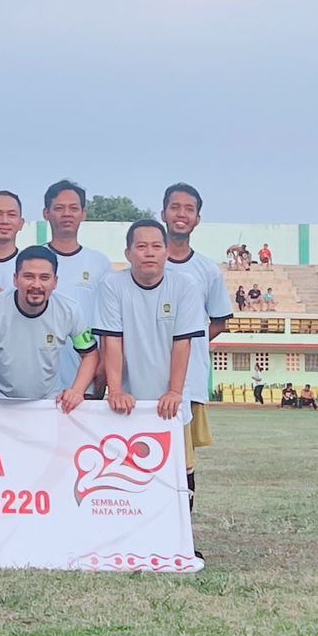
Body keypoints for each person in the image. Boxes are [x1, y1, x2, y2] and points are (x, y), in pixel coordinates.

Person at [161, 183, 234, 513]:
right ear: (163, 213)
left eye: (188, 209)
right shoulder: (147, 260)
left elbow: (218, 321)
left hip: (188, 382)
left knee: (184, 458)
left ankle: (181, 534)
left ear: (198, 218)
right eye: (175, 207)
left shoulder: (206, 270)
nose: (181, 214)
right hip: (147, 379)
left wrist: (185, 345)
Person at [91, 220, 205, 426]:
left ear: (167, 251)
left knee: (178, 458)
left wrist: (174, 392)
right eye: (141, 246)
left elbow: (183, 343)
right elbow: (112, 342)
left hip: (172, 402)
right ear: (128, 253)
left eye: (156, 246)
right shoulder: (112, 285)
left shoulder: (185, 285)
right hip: (127, 403)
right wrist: (115, 390)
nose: (149, 253)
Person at [0, 245, 97, 408]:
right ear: (15, 279)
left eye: (44, 278)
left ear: (55, 282)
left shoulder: (71, 311)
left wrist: (77, 391)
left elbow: (90, 355)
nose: (36, 285)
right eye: (28, 276)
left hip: (47, 404)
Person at [41, 180, 111, 322]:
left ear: (83, 213)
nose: (67, 214)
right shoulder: (32, 260)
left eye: (73, 208)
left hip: (88, 344)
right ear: (46, 213)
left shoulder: (100, 263)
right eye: (59, 208)